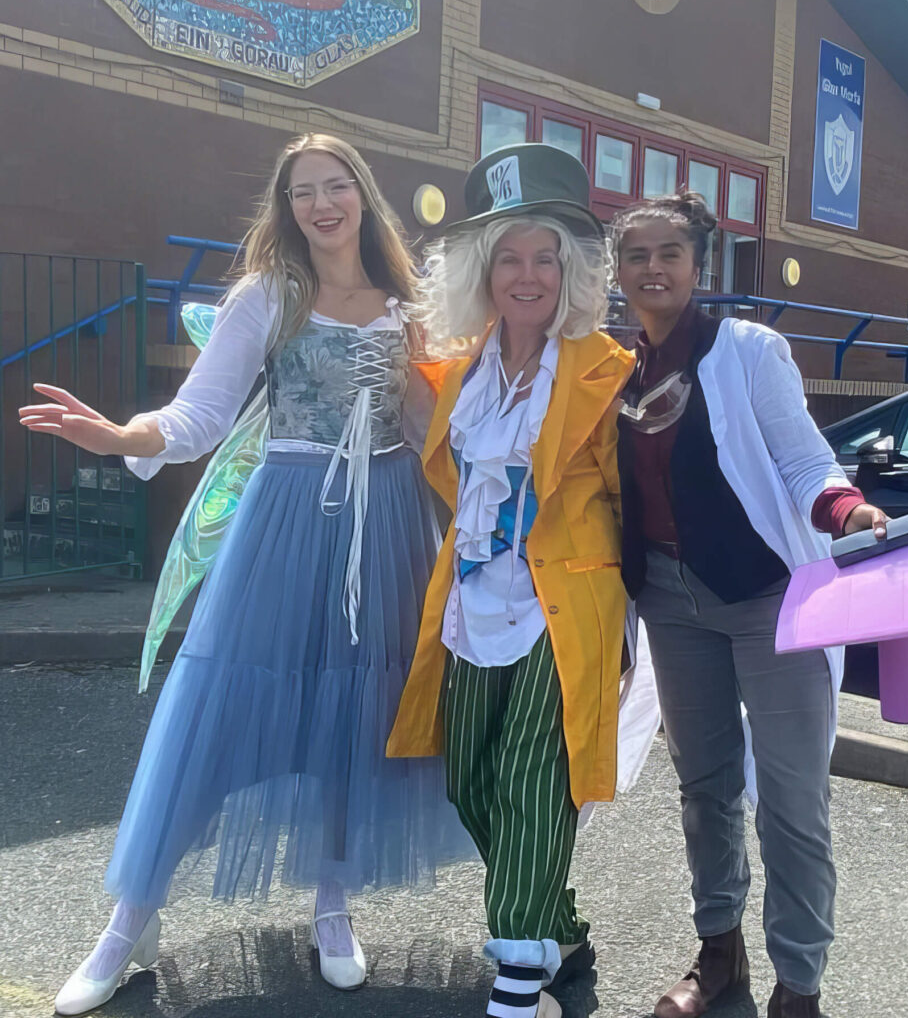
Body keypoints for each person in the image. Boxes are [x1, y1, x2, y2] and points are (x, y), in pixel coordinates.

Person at [20, 132, 470, 1015]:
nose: (322, 204)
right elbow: (198, 416)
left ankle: (332, 906)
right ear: (286, 207)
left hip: (386, 528)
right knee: (221, 711)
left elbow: (428, 430)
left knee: (359, 711)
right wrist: (120, 438)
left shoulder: (407, 305)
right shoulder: (269, 294)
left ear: (363, 196)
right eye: (303, 192)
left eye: (336, 186)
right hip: (287, 516)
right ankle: (129, 922)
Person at [610, 189, 887, 1018]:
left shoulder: (746, 351)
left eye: (669, 253)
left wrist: (852, 512)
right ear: (619, 271)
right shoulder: (617, 369)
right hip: (669, 598)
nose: (652, 268)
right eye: (636, 255)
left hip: (769, 599)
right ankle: (718, 951)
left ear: (699, 265)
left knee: (794, 802)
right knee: (705, 786)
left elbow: (807, 466)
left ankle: (798, 986)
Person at [386, 144, 633, 1018]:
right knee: (472, 783)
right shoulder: (455, 377)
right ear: (481, 273)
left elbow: (629, 493)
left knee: (533, 776)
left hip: (564, 607)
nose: (526, 276)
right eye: (508, 258)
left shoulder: (610, 372)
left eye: (545, 257)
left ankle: (517, 982)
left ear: (571, 271)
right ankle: (559, 926)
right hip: (469, 605)